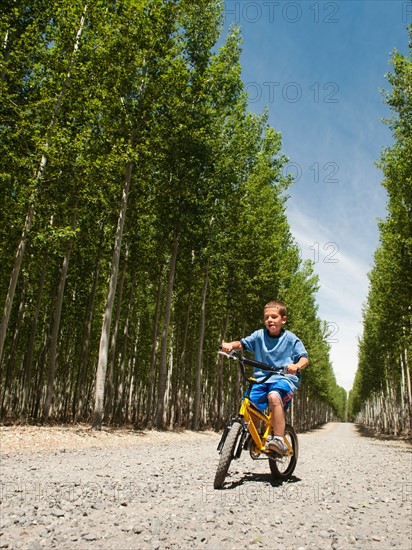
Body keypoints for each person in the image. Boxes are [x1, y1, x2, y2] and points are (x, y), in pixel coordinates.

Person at [221, 300, 309, 455]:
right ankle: (255, 436)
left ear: (283, 319)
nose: (270, 320)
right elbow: (241, 344)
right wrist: (230, 345)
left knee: (274, 396)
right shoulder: (259, 335)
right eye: (267, 317)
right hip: (262, 379)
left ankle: (279, 439)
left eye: (274, 317)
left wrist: (296, 366)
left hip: (284, 379)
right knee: (249, 403)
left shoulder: (290, 338)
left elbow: (304, 358)